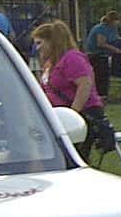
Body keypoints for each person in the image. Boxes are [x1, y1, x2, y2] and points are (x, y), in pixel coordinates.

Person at [32, 21, 115, 157]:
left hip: (80, 114)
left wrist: (73, 114)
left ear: (52, 42)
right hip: (58, 116)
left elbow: (85, 84)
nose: (37, 48)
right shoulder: (50, 64)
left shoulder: (72, 58)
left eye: (39, 43)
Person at [86, 11, 121, 100]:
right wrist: (114, 49)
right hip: (96, 55)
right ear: (112, 20)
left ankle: (104, 94)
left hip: (106, 55)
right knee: (100, 74)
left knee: (106, 74)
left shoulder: (113, 29)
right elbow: (101, 43)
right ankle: (100, 94)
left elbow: (114, 38)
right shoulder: (101, 28)